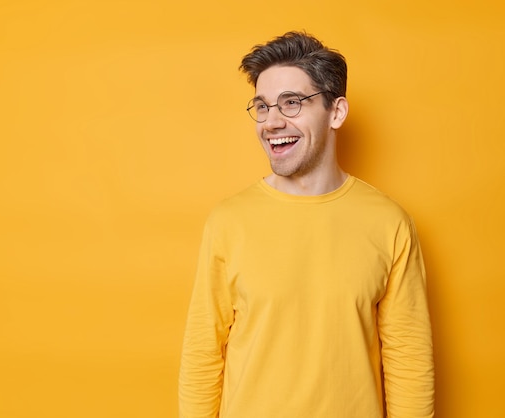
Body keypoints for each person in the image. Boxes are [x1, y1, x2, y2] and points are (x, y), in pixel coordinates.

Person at [178, 31, 434, 418]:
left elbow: (408, 358)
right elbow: (203, 352)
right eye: (261, 107)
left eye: (291, 103)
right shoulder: (228, 221)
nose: (271, 122)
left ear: (336, 112)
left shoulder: (390, 223)